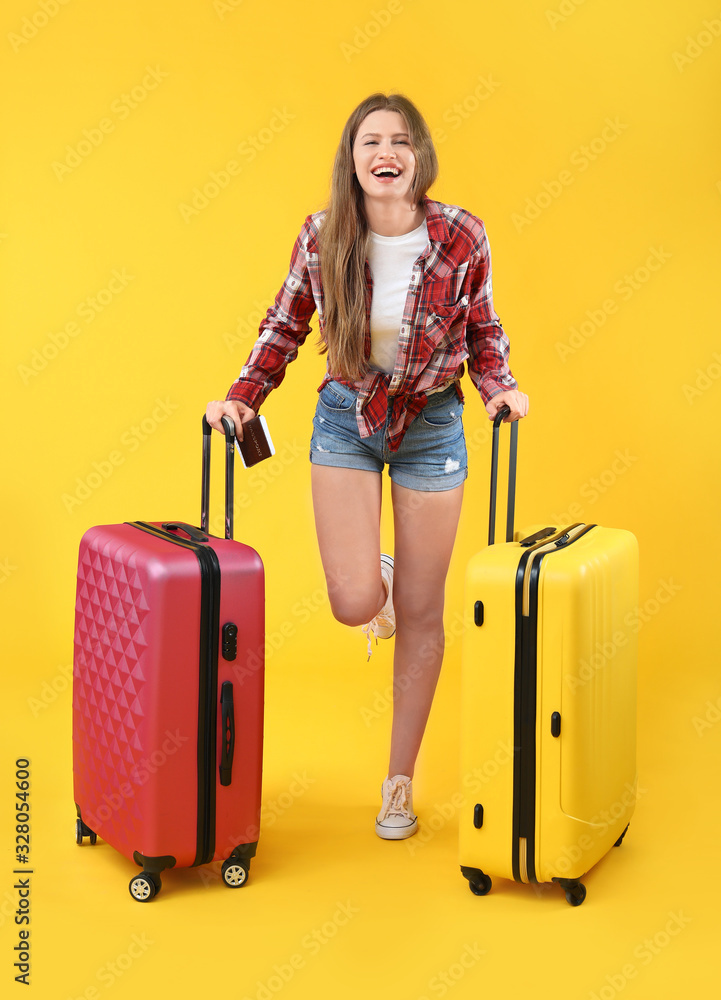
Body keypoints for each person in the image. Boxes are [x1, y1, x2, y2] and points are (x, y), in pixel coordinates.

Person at [206, 92, 529, 841]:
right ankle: (376, 576)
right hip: (346, 419)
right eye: (370, 141)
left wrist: (499, 387)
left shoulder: (459, 234)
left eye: (400, 141)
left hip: (432, 423)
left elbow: (483, 326)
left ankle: (397, 782)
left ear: (418, 157)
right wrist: (241, 398)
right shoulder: (323, 235)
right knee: (356, 603)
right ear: (352, 160)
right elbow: (285, 324)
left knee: (421, 614)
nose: (385, 152)